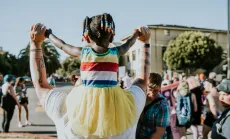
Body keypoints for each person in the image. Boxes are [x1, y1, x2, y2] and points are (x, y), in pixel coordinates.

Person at [29, 14, 151, 138]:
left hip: (85, 97)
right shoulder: (130, 108)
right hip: (114, 98)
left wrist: (45, 37)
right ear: (111, 36)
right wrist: (140, 38)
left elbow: (62, 46)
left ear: (86, 37)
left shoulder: (84, 52)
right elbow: (140, 77)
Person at [136, 72, 170, 139]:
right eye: (150, 90)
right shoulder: (140, 97)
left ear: (160, 88)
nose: (152, 93)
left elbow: (159, 132)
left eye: (155, 91)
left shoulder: (162, 105)